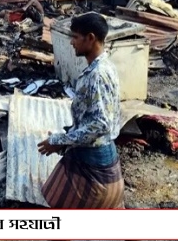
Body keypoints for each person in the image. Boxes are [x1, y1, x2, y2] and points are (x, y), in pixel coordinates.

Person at [37, 12, 124, 209]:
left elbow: (100, 124)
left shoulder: (97, 75)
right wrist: (69, 136)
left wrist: (58, 140)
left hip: (94, 164)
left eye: (75, 37)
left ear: (91, 38)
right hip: (98, 157)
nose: (71, 42)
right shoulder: (106, 67)